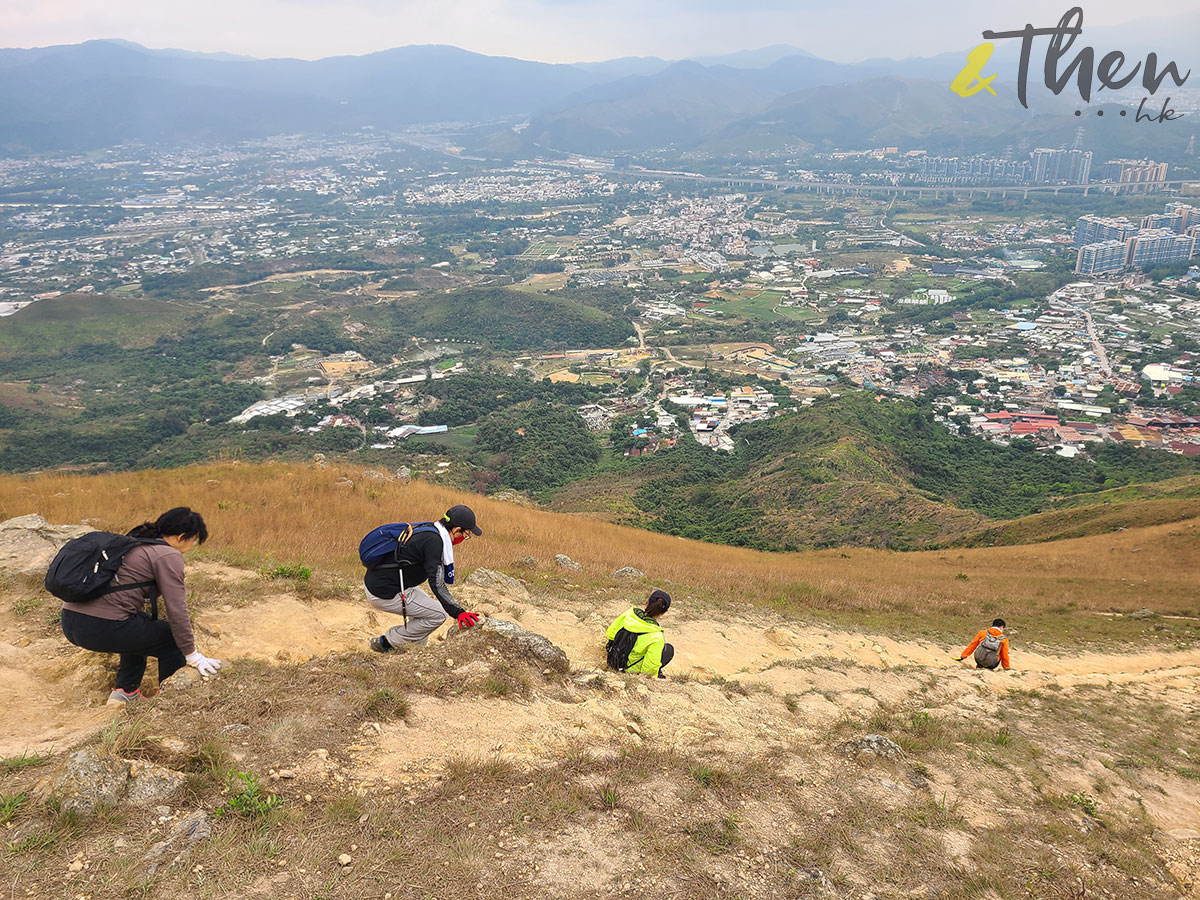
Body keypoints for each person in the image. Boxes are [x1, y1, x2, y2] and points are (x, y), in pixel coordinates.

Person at [60, 507, 222, 704]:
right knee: (171, 638)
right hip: (101, 627)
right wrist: (192, 655)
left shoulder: (135, 544)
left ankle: (125, 693)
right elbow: (177, 610)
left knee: (139, 625)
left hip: (70, 622)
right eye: (194, 539)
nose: (192, 545)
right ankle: (170, 701)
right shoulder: (167, 555)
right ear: (181, 537)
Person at [366, 504, 483, 652]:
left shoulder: (431, 529)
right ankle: (386, 642)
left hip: (385, 582)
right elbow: (437, 582)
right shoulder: (434, 542)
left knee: (427, 609)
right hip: (385, 591)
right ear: (456, 529)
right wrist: (458, 612)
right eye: (466, 534)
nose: (464, 538)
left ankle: (412, 652)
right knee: (438, 614)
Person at [605, 589, 674, 678]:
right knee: (668, 650)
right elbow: (649, 667)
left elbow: (611, 633)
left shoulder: (629, 613)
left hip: (612, 660)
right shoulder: (656, 635)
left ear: (647, 602)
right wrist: (652, 677)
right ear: (663, 613)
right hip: (629, 670)